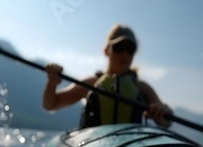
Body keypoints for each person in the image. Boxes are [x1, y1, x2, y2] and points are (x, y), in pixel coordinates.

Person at [42, 24, 173, 129]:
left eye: (130, 48)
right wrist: (52, 83)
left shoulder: (143, 88)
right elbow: (51, 104)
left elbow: (166, 122)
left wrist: (162, 113)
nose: (125, 54)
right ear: (106, 50)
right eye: (119, 47)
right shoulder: (90, 83)